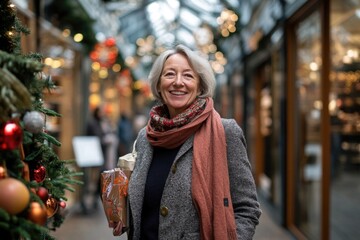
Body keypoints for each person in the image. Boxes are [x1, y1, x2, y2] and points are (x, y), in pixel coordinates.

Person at [111, 44, 261, 239]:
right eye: (170, 74)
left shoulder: (225, 132)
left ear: (200, 85)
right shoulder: (146, 136)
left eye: (188, 76)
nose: (178, 82)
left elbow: (247, 209)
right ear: (158, 84)